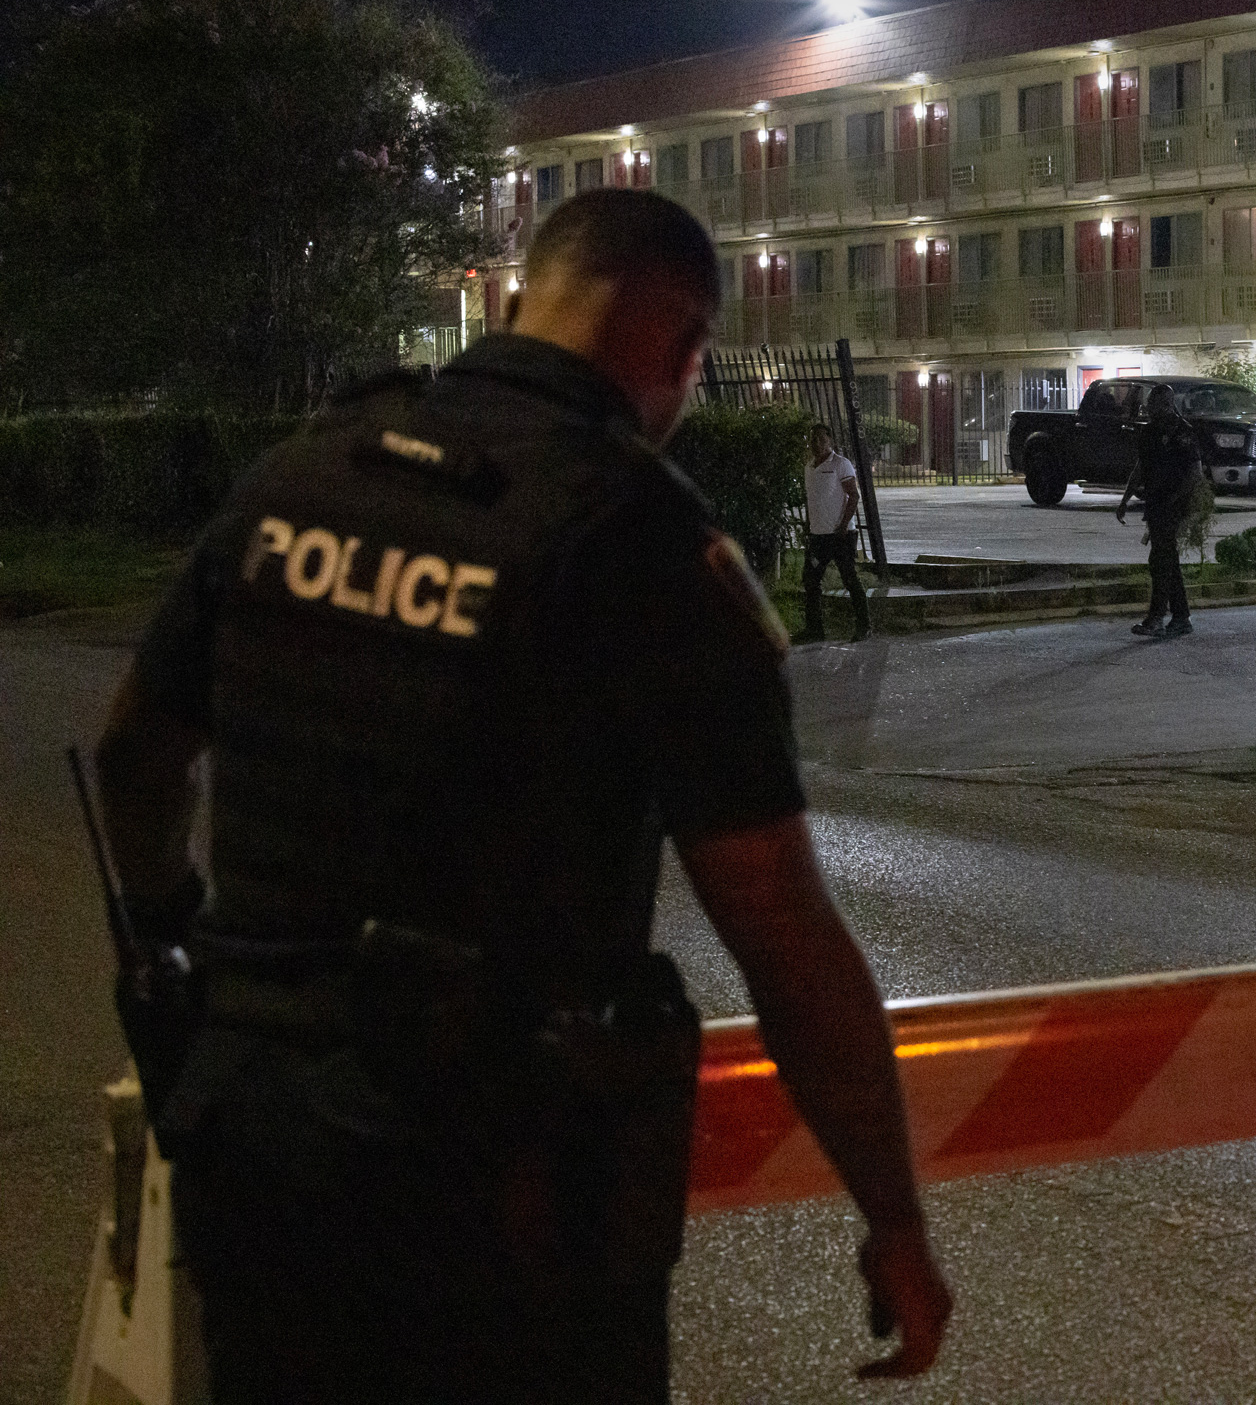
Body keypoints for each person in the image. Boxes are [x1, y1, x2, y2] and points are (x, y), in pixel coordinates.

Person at [91, 188, 951, 1403]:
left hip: (259, 1151)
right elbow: (780, 929)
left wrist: (175, 937)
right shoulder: (642, 544)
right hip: (495, 1187)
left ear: (512, 302)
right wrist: (894, 1219)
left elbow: (136, 756)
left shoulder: (298, 477)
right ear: (681, 348)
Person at [1115, 383, 1201, 639]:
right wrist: (1125, 499)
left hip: (1173, 505)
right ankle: (1181, 617)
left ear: (1166, 404)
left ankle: (1156, 618)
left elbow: (1194, 474)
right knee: (1166, 560)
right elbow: (1140, 468)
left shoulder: (1183, 433)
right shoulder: (1150, 432)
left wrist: (1176, 501)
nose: (1148, 407)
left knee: (1161, 560)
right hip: (1155, 504)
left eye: (1153, 403)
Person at [801, 420, 869, 643]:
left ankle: (863, 627)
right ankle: (814, 630)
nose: (817, 443)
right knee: (811, 581)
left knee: (850, 580)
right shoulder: (809, 467)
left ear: (831, 440)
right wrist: (809, 527)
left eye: (822, 438)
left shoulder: (841, 464)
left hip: (841, 535)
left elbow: (854, 495)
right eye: (813, 439)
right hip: (818, 537)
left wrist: (843, 525)